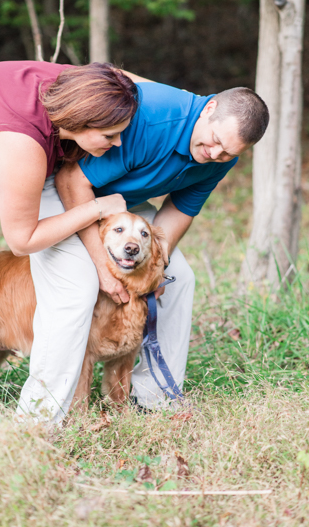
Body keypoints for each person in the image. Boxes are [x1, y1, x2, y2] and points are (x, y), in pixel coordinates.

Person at [16, 77, 269, 422]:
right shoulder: (153, 120)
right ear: (209, 109)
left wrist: (158, 268)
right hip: (64, 188)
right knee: (79, 284)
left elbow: (179, 211)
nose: (215, 155)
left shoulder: (223, 155)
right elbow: (72, 180)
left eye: (228, 153)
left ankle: (155, 398)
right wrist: (103, 267)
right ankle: (41, 416)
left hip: (121, 201)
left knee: (181, 278)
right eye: (214, 143)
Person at [0, 61, 138, 394]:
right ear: (83, 119)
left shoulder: (78, 85)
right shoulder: (24, 146)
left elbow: (131, 80)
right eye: (109, 135)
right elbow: (22, 241)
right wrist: (97, 207)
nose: (117, 144)